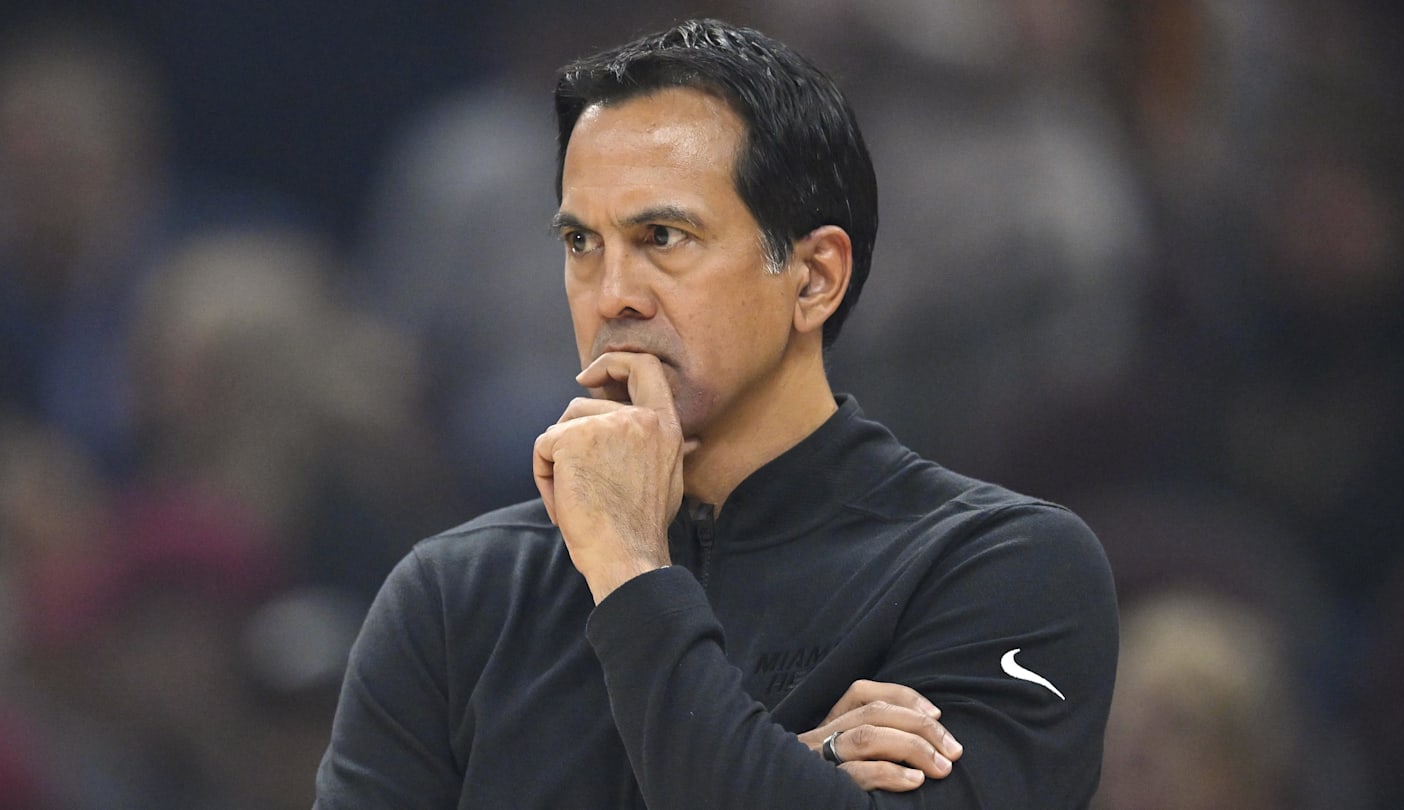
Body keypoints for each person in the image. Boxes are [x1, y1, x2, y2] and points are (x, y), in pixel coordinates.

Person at [315, 18, 1117, 809]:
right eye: (581, 243)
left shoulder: (1001, 570)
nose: (611, 294)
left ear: (813, 278)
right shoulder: (455, 596)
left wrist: (631, 570)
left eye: (662, 236)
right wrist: (795, 772)